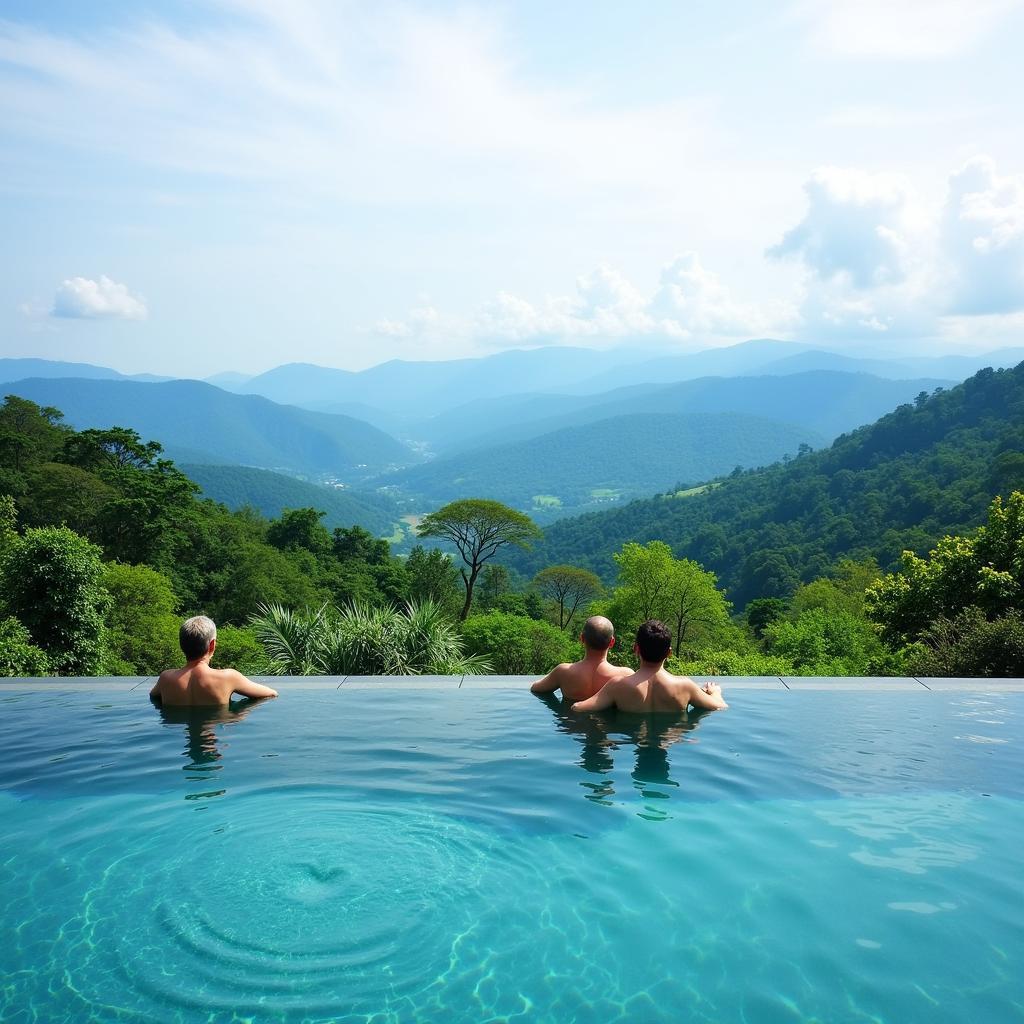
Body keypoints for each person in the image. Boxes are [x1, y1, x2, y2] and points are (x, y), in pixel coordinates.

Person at [572, 619, 727, 714]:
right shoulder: (685, 686)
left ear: (636, 649)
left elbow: (578, 708)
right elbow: (720, 706)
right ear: (669, 653)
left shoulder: (618, 686)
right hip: (671, 738)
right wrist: (715, 692)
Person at [149, 615, 279, 706]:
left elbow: (153, 695)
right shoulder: (228, 677)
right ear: (212, 645)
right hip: (217, 723)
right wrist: (240, 713)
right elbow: (271, 694)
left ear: (182, 645)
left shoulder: (166, 678)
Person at [530, 615, 633, 702]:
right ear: (612, 642)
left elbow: (535, 688)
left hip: (573, 724)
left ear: (582, 638)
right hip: (605, 725)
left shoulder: (562, 672)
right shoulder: (625, 675)